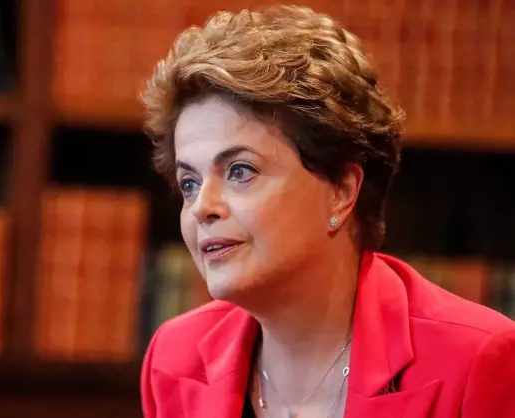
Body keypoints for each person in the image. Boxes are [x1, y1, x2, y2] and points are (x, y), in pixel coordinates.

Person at [138, 5, 515, 418]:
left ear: (342, 191)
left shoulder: (477, 360)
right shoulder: (174, 359)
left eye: (240, 171)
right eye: (189, 183)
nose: (202, 208)